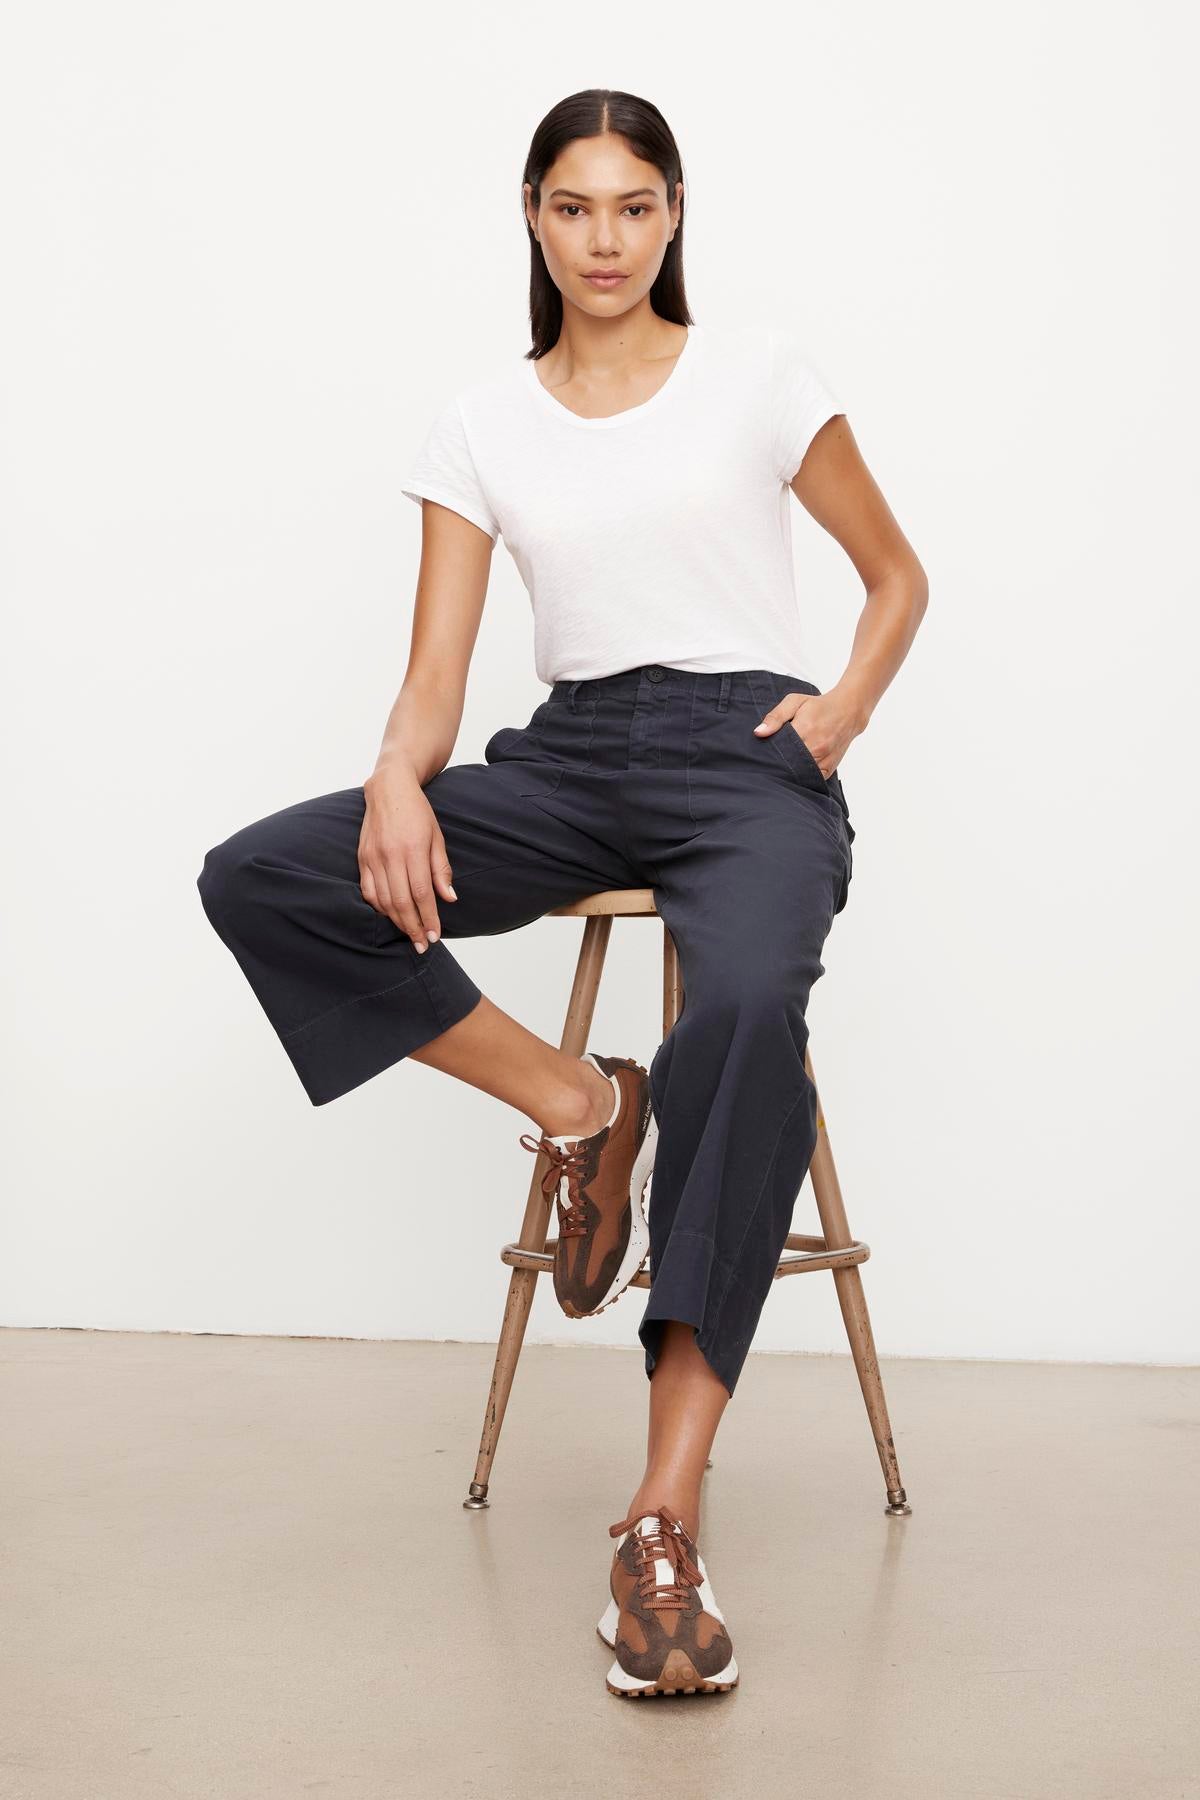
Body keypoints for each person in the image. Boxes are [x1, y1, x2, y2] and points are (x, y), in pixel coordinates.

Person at [196, 87, 929, 1700]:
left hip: (748, 753)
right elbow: (435, 677)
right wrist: (398, 773)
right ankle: (582, 1105)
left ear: (675, 218)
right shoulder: (482, 422)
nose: (607, 238)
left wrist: (842, 712)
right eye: (576, 207)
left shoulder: (758, 378)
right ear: (532, 216)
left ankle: (662, 1516)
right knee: (260, 876)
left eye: (637, 207)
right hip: (570, 753)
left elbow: (897, 575)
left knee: (745, 1012)